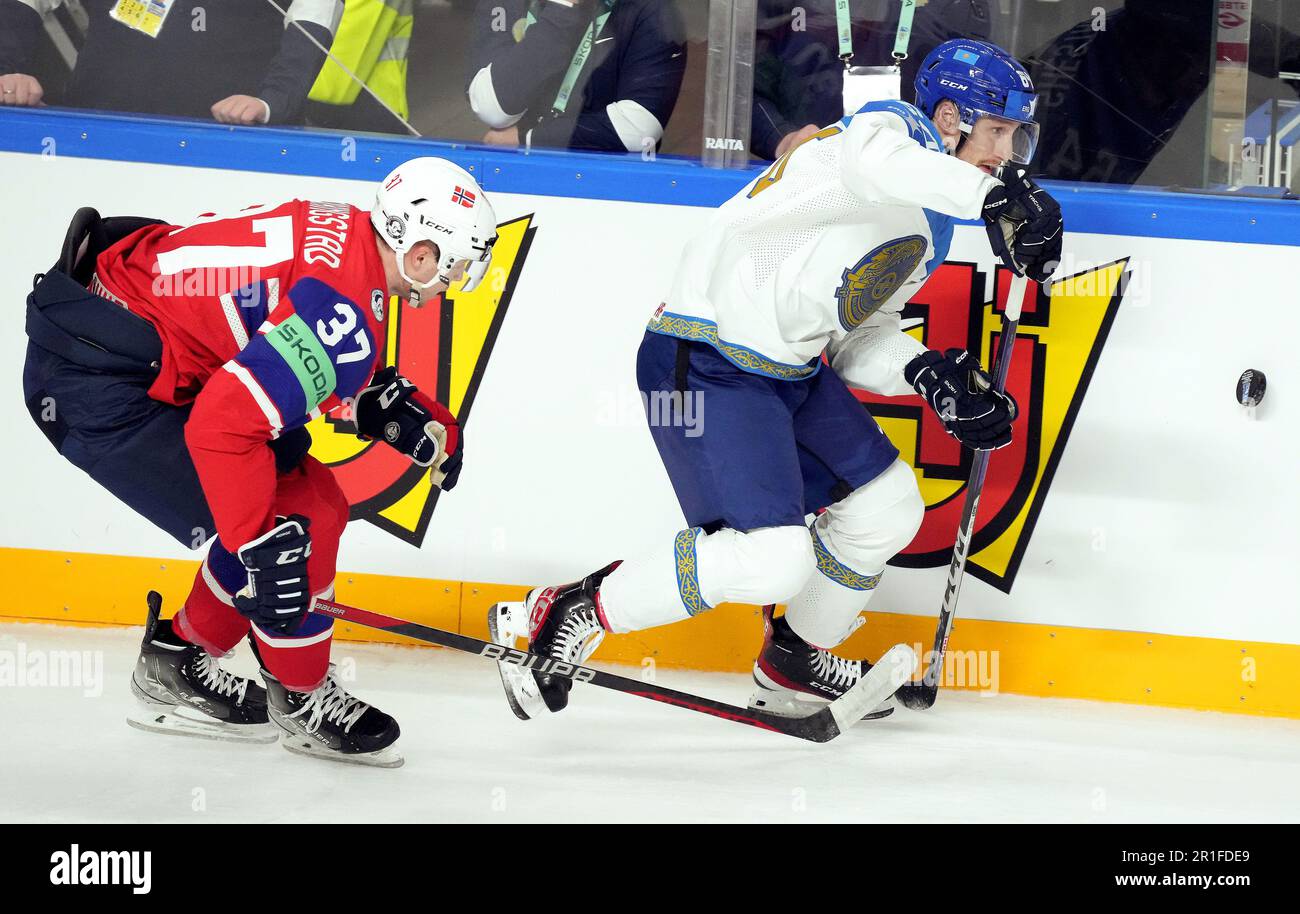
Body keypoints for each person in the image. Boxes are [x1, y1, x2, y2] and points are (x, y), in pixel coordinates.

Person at [489, 39, 1062, 721]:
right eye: (996, 130)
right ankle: (572, 609)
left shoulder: (933, 221)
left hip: (787, 373)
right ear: (946, 117)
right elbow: (877, 160)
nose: (1007, 149)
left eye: (1014, 135)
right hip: (703, 358)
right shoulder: (888, 133)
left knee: (887, 508)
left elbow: (856, 341)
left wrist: (930, 374)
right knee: (774, 559)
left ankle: (792, 660)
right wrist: (994, 198)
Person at [22, 158, 498, 767]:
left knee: (316, 501)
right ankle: (300, 698)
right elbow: (223, 425)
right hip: (100, 387)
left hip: (122, 330)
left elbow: (282, 331)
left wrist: (376, 397)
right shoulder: (347, 307)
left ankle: (177, 661)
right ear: (421, 252)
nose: (449, 285)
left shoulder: (350, 234)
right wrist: (256, 545)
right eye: (454, 267)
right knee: (292, 518)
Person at [0, 0, 342, 125]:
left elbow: (316, 13)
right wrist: (6, 72)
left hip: (230, 146)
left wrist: (272, 103)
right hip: (93, 134)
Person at [752, 0, 994, 161]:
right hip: (811, 178)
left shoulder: (960, 7)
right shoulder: (785, 6)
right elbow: (742, 92)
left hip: (919, 184)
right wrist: (783, 138)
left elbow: (985, 94)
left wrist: (961, 147)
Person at [465, 0, 686, 153]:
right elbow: (491, 108)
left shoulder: (653, 10)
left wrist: (526, 138)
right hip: (519, 174)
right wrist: (561, 10)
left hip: (603, 183)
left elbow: (639, 128)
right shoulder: (508, 5)